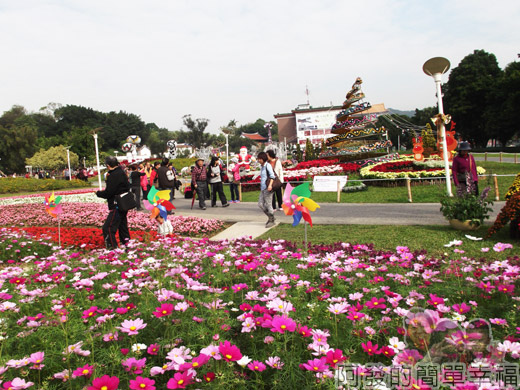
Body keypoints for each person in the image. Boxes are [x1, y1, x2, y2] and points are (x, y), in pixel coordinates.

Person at [96, 156, 131, 249]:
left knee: (108, 228)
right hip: (124, 203)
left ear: (108, 165)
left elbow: (109, 192)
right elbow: (127, 186)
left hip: (116, 204)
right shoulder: (122, 172)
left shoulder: (113, 175)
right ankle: (127, 247)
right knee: (123, 227)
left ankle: (112, 249)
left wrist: (98, 193)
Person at [257, 151, 276, 228]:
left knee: (268, 204)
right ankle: (271, 217)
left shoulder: (267, 165)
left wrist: (270, 185)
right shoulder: (262, 166)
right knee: (260, 204)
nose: (259, 160)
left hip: (268, 188)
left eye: (260, 159)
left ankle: (272, 220)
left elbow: (272, 176)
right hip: (263, 188)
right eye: (258, 159)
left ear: (263, 159)